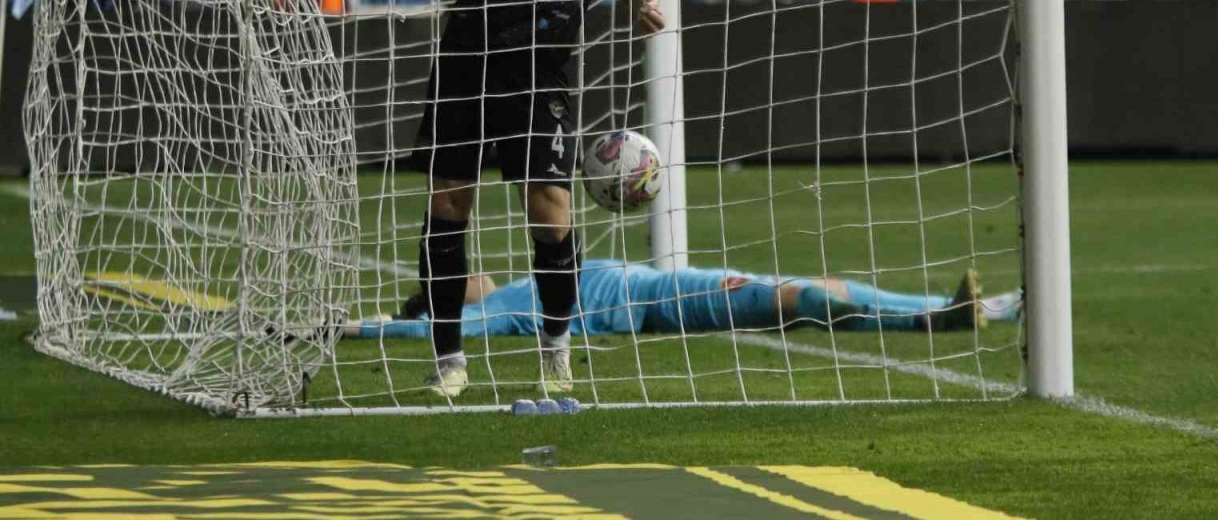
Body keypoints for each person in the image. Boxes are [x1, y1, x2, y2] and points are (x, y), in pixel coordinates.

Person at [414, 0, 662, 400]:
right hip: (470, 43)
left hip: (543, 57)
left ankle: (556, 351)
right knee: (448, 197)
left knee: (549, 205)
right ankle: (448, 360)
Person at [343, 259, 1013, 341]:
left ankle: (951, 312)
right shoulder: (498, 310)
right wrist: (353, 328)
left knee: (823, 292)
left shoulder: (517, 286)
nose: (469, 273)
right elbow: (420, 331)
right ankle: (936, 316)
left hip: (666, 282)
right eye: (454, 279)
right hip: (662, 301)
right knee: (805, 297)